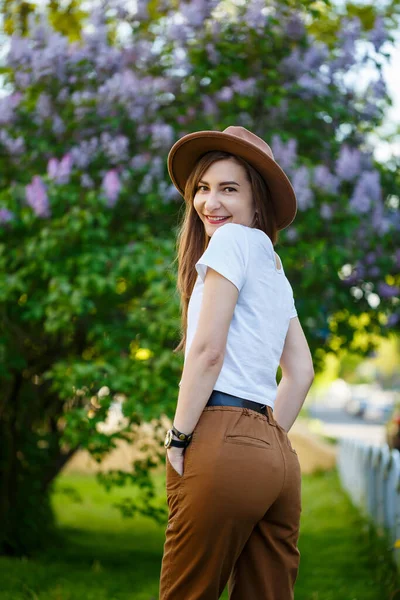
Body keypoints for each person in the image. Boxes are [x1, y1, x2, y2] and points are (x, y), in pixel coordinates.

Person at [159, 125, 314, 600]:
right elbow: (302, 371)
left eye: (229, 189)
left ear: (256, 202)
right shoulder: (272, 264)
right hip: (278, 461)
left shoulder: (229, 243)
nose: (211, 203)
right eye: (203, 189)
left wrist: (179, 436)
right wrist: (267, 440)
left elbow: (207, 353)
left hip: (221, 438)